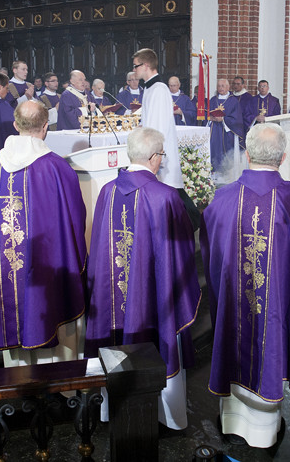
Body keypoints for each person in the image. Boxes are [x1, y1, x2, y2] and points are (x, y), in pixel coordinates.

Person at [201, 123, 290, 449]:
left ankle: (232, 422)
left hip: (233, 310)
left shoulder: (222, 199)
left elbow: (210, 256)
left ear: (247, 154)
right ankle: (266, 430)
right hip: (273, 314)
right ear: (283, 158)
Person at [85, 127, 201, 430]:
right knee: (159, 332)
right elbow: (181, 250)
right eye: (161, 155)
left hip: (112, 296)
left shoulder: (108, 191)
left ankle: (114, 409)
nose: (161, 161)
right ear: (153, 158)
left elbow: (98, 248)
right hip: (153, 297)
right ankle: (166, 415)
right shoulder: (164, 196)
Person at [0, 100, 87, 367]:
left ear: (15, 125)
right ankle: (59, 377)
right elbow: (75, 217)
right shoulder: (56, 167)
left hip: (6, 265)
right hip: (45, 266)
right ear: (46, 127)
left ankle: (17, 376)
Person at [133, 48, 184, 190]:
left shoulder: (159, 89)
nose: (134, 70)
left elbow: (159, 129)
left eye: (136, 65)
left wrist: (154, 158)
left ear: (146, 66)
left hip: (158, 156)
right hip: (151, 153)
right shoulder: (149, 89)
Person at [208, 78, 245, 173]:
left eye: (223, 86)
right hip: (214, 131)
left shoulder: (233, 101)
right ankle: (213, 172)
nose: (220, 88)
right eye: (219, 86)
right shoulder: (213, 100)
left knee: (226, 153)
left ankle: (227, 173)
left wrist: (223, 119)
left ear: (228, 87)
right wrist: (210, 118)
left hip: (228, 132)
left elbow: (237, 118)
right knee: (213, 150)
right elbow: (206, 114)